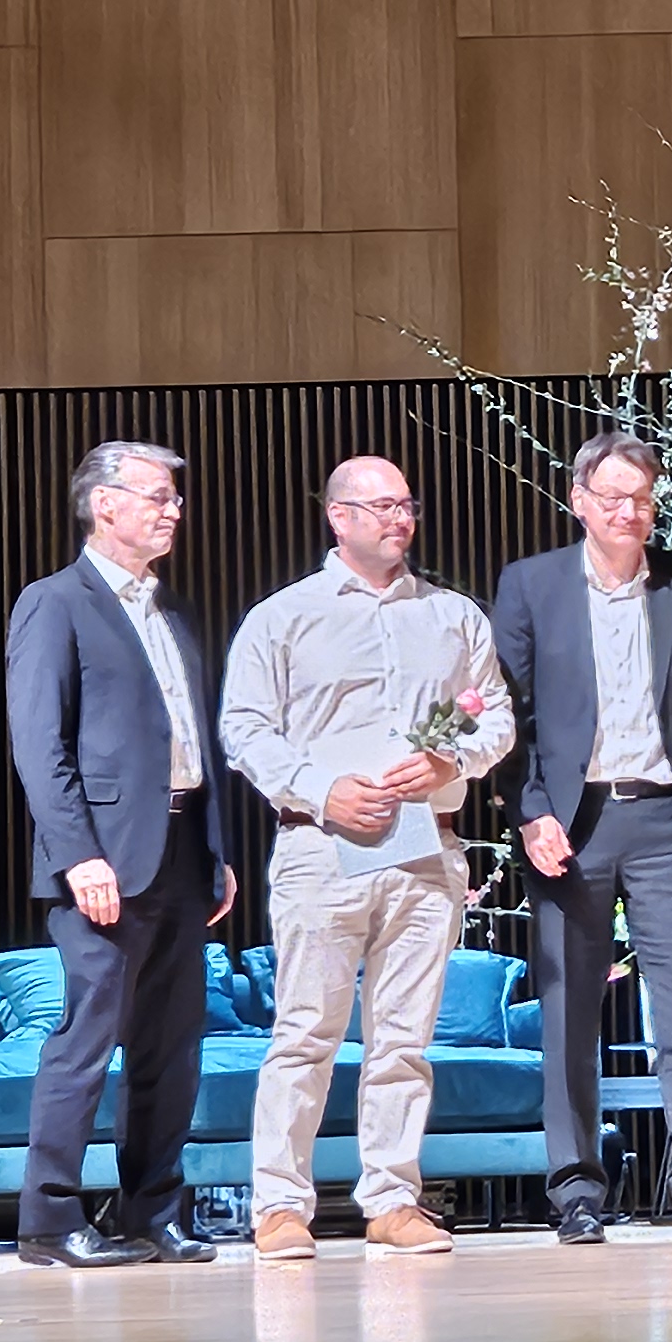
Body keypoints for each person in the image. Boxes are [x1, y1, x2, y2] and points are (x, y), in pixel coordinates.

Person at [219, 456, 513, 1261]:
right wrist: (322, 790)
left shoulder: (454, 617)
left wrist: (452, 760)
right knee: (305, 1033)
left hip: (425, 848)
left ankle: (391, 1197)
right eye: (381, 506)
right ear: (338, 516)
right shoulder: (283, 617)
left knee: (404, 1041)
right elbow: (244, 729)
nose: (399, 519)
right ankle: (281, 1205)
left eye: (407, 505)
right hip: (321, 847)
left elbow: (493, 716)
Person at [490, 432, 672, 1245]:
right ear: (579, 501)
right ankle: (576, 1189)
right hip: (571, 824)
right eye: (612, 497)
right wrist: (529, 810)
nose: (629, 512)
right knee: (570, 1012)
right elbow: (507, 716)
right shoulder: (532, 585)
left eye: (641, 498)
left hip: (671, 819)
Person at [6, 440, 239, 1269]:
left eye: (175, 498)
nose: (173, 510)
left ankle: (153, 1210)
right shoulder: (55, 602)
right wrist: (78, 856)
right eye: (157, 496)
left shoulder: (173, 611)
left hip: (180, 849)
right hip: (102, 860)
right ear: (104, 504)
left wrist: (214, 850)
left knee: (172, 1045)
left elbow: (192, 742)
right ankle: (48, 1220)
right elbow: (41, 746)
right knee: (87, 1039)